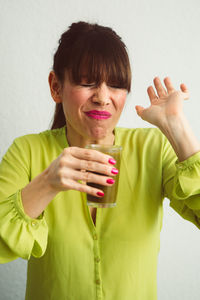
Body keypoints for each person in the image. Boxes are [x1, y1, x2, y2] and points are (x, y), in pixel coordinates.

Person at [0, 21, 200, 300]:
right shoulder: (27, 151)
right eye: (87, 82)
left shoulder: (152, 147)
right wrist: (47, 183)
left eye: (116, 85)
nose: (103, 98)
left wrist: (178, 128)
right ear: (56, 87)